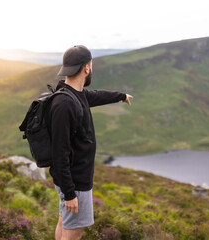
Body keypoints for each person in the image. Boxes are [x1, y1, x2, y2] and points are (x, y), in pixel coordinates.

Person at [48, 45, 133, 240]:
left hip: (72, 179)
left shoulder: (73, 94)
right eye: (91, 66)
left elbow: (95, 95)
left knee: (64, 221)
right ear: (86, 68)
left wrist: (120, 96)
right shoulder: (64, 104)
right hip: (75, 181)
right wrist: (70, 193)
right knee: (74, 232)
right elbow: (59, 153)